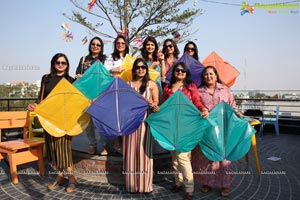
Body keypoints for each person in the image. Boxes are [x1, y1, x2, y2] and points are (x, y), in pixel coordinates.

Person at [27, 53, 76, 193]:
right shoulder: (46, 78)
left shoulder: (70, 80)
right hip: (48, 118)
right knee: (53, 148)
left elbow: (75, 101)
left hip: (64, 120)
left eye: (63, 63)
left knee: (64, 148)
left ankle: (72, 178)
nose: (60, 65)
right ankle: (60, 176)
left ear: (67, 65)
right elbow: (41, 98)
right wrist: (34, 105)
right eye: (58, 62)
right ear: (53, 63)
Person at [191, 66, 242, 197]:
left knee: (224, 158)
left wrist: (238, 113)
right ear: (203, 77)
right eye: (206, 74)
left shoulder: (225, 89)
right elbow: (195, 105)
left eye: (211, 74)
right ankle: (207, 182)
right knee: (207, 157)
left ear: (216, 75)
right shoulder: (199, 91)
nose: (208, 76)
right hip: (207, 129)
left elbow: (232, 105)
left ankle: (225, 185)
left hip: (223, 128)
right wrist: (202, 110)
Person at [162, 62, 209, 200]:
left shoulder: (190, 87)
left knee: (183, 157)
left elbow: (197, 102)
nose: (180, 72)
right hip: (172, 126)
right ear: (174, 72)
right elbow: (164, 105)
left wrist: (203, 109)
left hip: (187, 126)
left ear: (186, 73)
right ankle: (178, 182)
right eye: (177, 70)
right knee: (175, 158)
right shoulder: (167, 88)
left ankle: (189, 189)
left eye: (183, 71)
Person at [123, 58, 159, 193]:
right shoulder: (127, 84)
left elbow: (157, 105)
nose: (141, 69)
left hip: (146, 124)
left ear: (146, 69)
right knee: (130, 155)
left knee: (145, 154)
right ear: (134, 70)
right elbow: (123, 104)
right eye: (138, 67)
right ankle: (131, 185)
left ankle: (145, 186)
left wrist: (153, 105)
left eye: (143, 67)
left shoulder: (151, 85)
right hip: (130, 124)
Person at [75, 36, 107, 155]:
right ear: (90, 45)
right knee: (88, 122)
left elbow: (106, 75)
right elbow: (78, 75)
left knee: (101, 121)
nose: (95, 46)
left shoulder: (104, 59)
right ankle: (92, 144)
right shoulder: (83, 59)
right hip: (85, 95)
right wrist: (78, 77)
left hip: (100, 94)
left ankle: (104, 145)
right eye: (93, 44)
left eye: (98, 45)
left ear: (101, 47)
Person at [104, 35, 130, 154]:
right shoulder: (110, 57)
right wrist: (115, 70)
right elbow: (105, 71)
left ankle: (123, 142)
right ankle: (116, 142)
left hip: (125, 90)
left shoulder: (129, 58)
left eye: (122, 43)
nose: (120, 45)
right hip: (112, 89)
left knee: (124, 116)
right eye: (118, 43)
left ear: (126, 45)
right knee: (114, 116)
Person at [139, 36, 166, 100]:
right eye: (148, 45)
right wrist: (152, 67)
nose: (150, 47)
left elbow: (163, 75)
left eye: (152, 45)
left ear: (155, 46)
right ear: (144, 46)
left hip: (158, 87)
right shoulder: (140, 57)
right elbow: (139, 73)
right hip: (146, 87)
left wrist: (162, 61)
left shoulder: (157, 57)